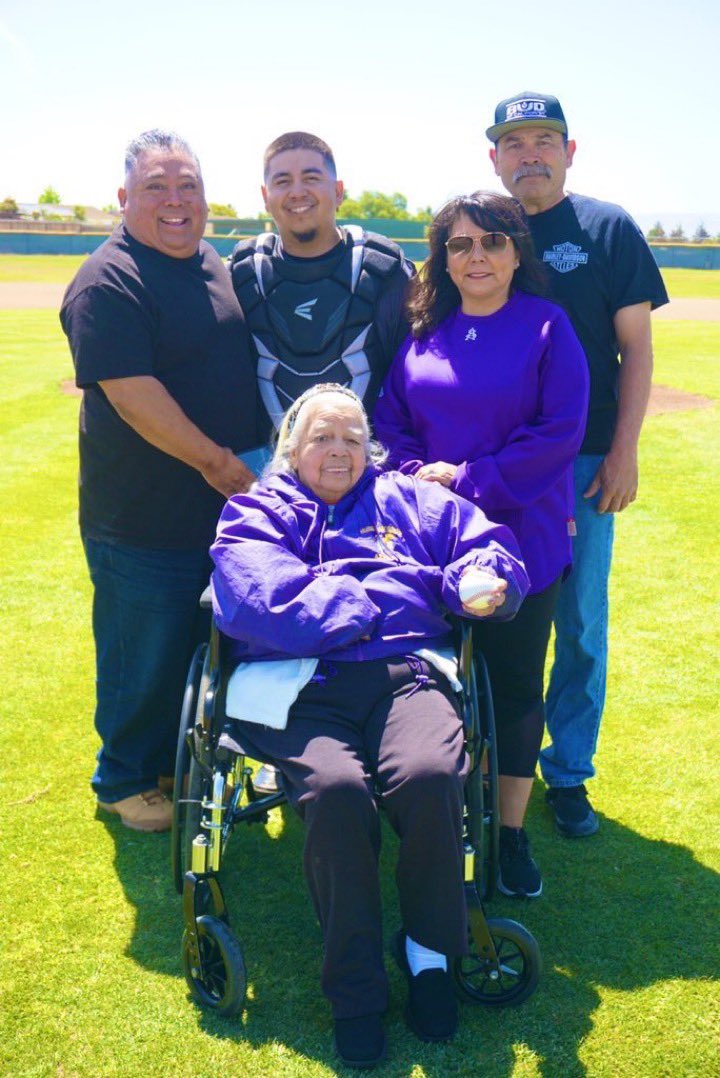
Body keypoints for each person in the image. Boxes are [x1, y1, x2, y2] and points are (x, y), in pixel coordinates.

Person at [210, 384, 529, 1067]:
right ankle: (355, 992)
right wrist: (364, 600)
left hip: (405, 675)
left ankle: (430, 959)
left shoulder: (412, 501)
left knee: (431, 775)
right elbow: (253, 594)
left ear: (370, 451)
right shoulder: (257, 512)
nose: (339, 450)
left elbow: (486, 547)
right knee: (335, 795)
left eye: (354, 438)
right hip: (300, 685)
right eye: (323, 436)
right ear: (292, 449)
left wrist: (480, 578)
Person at [374, 193, 589, 898]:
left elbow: (558, 433)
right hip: (430, 544)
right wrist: (416, 479)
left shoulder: (549, 327)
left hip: (520, 538)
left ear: (516, 253)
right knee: (433, 682)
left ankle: (510, 834)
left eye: (493, 243)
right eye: (461, 245)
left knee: (515, 687)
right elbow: (392, 421)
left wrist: (466, 480)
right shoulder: (424, 331)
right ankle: (443, 817)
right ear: (442, 257)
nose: (477, 257)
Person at [60, 129, 257, 833]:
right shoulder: (108, 280)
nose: (175, 202)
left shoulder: (211, 263)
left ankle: (173, 763)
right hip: (142, 517)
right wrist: (218, 463)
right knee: (139, 654)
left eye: (188, 187)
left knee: (191, 646)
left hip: (218, 514)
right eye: (156, 188)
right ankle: (123, 777)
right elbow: (134, 395)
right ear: (123, 199)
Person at [487, 92, 669, 836]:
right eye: (514, 143)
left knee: (580, 622)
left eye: (544, 140)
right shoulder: (482, 228)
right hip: (495, 461)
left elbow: (636, 347)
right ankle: (484, 759)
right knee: (487, 607)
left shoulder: (606, 227)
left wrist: (624, 450)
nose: (529, 153)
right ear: (493, 156)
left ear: (570, 149)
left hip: (586, 459)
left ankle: (567, 773)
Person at [229, 129, 413, 793]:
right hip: (276, 479)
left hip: (364, 476)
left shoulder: (385, 267)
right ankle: (276, 735)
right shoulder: (242, 269)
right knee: (269, 601)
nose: (297, 191)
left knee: (373, 595)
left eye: (312, 177)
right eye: (282, 180)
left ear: (338, 190)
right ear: (264, 196)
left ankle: (388, 727)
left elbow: (409, 374)